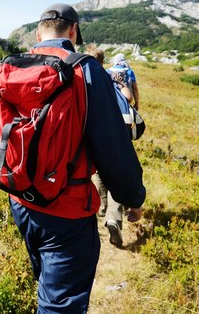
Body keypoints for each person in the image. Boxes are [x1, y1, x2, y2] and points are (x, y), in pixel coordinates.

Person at [0, 3, 145, 313]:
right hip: (68, 213)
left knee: (47, 283)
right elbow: (113, 148)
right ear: (73, 32)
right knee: (60, 305)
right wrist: (132, 197)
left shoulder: (9, 68)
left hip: (21, 202)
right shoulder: (86, 71)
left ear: (38, 32)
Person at [86, 47, 132, 248]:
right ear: (103, 61)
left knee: (98, 169)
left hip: (93, 131)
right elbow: (127, 98)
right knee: (118, 172)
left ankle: (102, 206)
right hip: (117, 129)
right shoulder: (111, 76)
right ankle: (113, 216)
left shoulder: (84, 76)